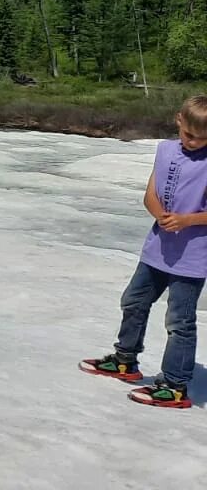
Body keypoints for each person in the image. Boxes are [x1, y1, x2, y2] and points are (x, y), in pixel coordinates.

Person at [80, 96, 207, 409]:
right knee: (134, 301)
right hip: (158, 248)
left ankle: (175, 386)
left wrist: (188, 220)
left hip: (192, 257)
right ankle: (125, 360)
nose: (193, 142)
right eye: (189, 134)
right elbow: (151, 192)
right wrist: (159, 213)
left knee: (179, 321)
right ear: (179, 120)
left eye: (202, 138)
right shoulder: (165, 150)